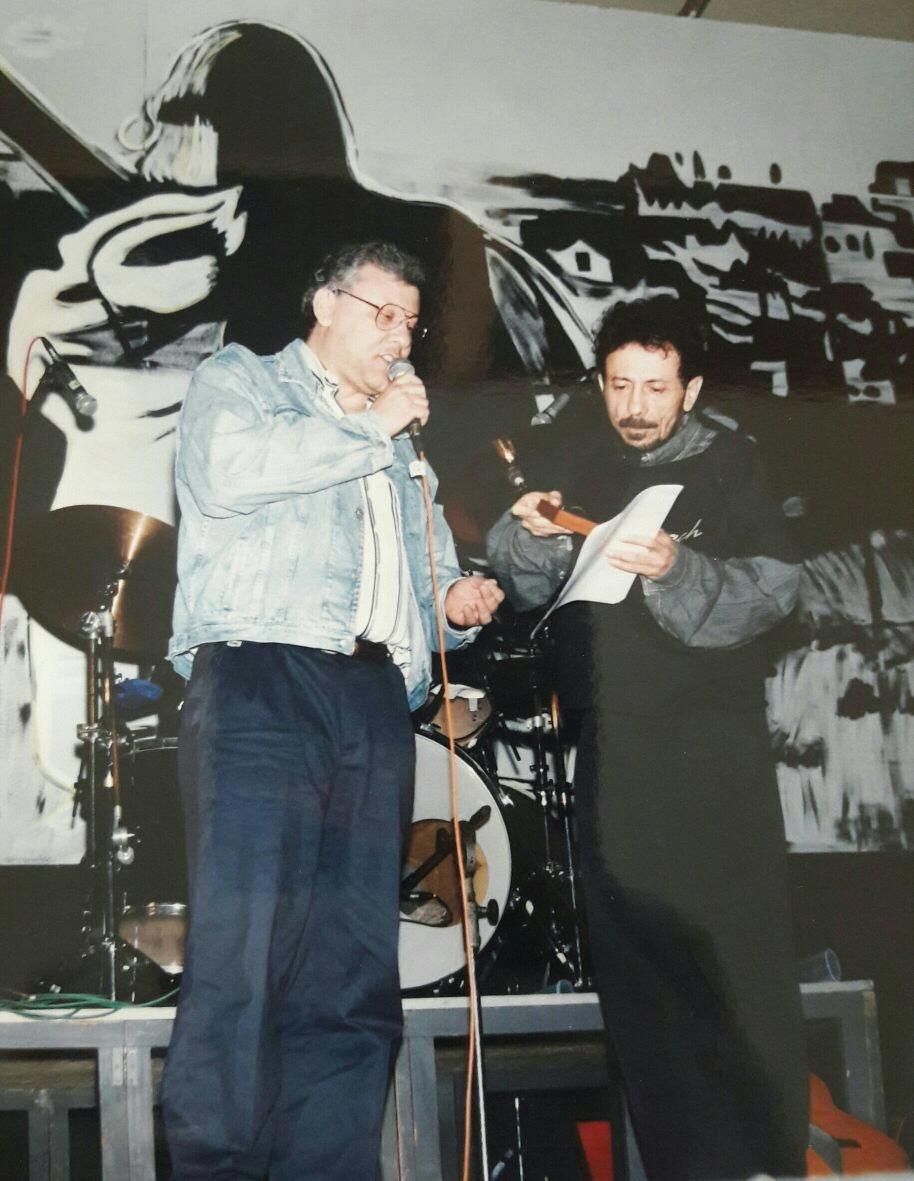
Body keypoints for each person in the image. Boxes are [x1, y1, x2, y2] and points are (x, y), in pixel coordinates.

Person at [160, 240, 503, 1181]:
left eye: (409, 322)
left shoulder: (400, 445)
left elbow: (421, 566)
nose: (399, 337)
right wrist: (373, 422)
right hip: (264, 672)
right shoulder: (244, 382)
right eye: (380, 312)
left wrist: (455, 604)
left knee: (353, 971)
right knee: (243, 957)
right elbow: (227, 474)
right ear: (323, 301)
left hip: (371, 699)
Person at [486, 295, 809, 1180]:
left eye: (655, 388)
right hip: (612, 749)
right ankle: (685, 1165)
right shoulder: (580, 454)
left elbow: (779, 590)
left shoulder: (732, 461)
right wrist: (529, 537)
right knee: (638, 980)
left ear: (691, 388)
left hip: (713, 750)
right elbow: (516, 578)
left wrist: (680, 568)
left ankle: (769, 1161)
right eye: (620, 384)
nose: (634, 405)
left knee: (737, 962)